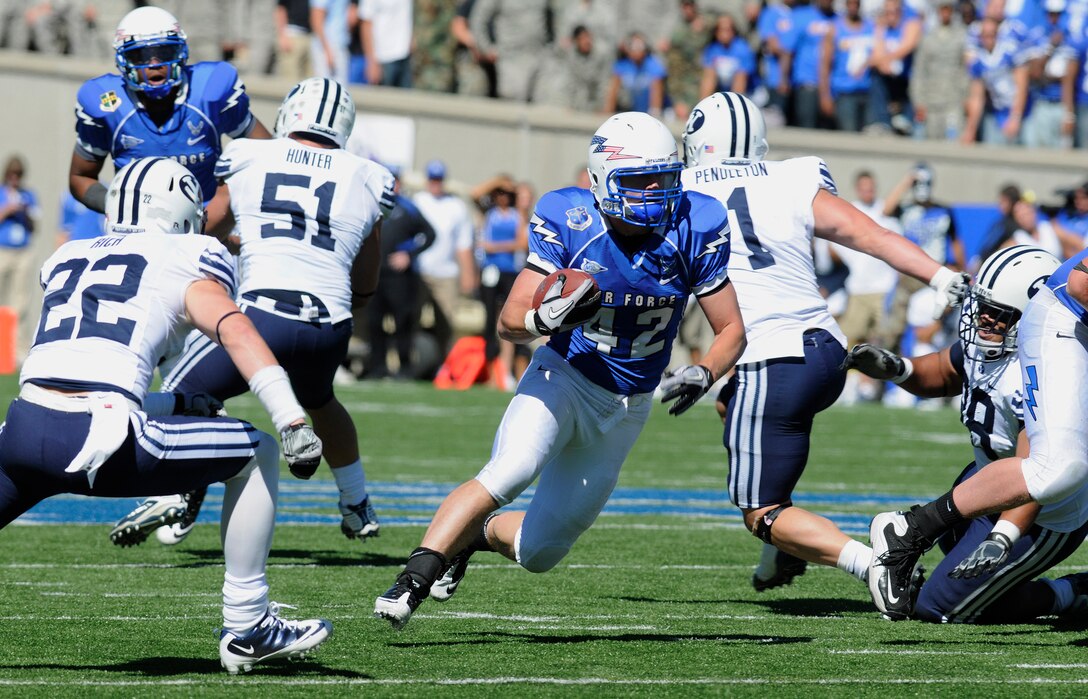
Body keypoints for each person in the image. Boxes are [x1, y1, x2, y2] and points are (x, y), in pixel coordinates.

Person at [373, 111, 747, 630]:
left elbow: (731, 329)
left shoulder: (695, 223)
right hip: (564, 377)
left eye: (664, 179)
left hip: (627, 407)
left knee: (540, 552)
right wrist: (541, 317)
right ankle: (413, 577)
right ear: (601, 181)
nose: (656, 194)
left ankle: (475, 536)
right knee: (511, 470)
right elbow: (508, 323)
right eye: (640, 182)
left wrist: (705, 372)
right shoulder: (571, 218)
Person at [0, 157, 330, 672]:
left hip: (22, 427)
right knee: (257, 452)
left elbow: (83, 371)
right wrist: (291, 418)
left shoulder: (69, 254)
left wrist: (174, 403)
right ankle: (248, 627)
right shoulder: (185, 253)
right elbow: (236, 331)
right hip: (99, 438)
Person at [680, 92, 969, 592]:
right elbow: (871, 235)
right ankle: (780, 556)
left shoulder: (681, 191)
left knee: (761, 509)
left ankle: (876, 566)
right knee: (730, 406)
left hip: (772, 360)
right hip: (827, 351)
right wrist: (940, 276)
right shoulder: (791, 177)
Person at [111, 78, 393, 548]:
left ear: (289, 114)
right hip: (330, 325)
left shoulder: (248, 155)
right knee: (320, 400)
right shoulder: (370, 176)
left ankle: (181, 492)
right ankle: (356, 501)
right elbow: (366, 282)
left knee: (185, 390)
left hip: (263, 314)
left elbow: (204, 227)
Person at [846, 246, 1088, 623]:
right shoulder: (988, 347)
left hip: (1039, 513)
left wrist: (1004, 535)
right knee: (960, 577)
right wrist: (898, 369)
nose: (985, 319)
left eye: (1000, 313)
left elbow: (1033, 474)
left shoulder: (1042, 373)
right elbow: (944, 371)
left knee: (939, 607)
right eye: (983, 306)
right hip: (986, 481)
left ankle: (1070, 593)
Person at [69, 6, 271, 214]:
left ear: (181, 52)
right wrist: (119, 207)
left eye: (163, 53)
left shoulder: (208, 91)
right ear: (123, 61)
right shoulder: (109, 104)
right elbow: (80, 177)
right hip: (137, 231)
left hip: (206, 229)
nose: (154, 64)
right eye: (140, 56)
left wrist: (230, 206)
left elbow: (270, 155)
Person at [366, 167, 436, 379]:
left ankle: (405, 368)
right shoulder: (370, 204)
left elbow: (430, 234)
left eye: (394, 180)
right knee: (374, 321)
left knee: (402, 321)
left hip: (400, 277)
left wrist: (409, 255)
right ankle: (377, 367)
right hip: (375, 273)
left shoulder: (408, 208)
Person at [413, 159, 477, 359]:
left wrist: (469, 274)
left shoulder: (456, 206)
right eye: (432, 179)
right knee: (412, 319)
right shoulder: (417, 201)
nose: (435, 184)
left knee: (446, 323)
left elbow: (464, 244)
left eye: (439, 179)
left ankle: (443, 365)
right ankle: (411, 361)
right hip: (419, 270)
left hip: (446, 273)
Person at [0, 156, 38, 323]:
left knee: (20, 299)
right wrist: (7, 210)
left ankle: (16, 344)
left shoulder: (28, 195)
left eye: (18, 175)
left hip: (23, 252)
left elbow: (35, 225)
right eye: (12, 174)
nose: (15, 178)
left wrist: (24, 212)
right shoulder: (1, 193)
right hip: (3, 250)